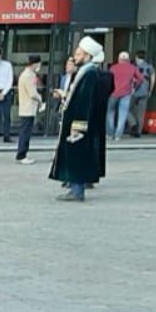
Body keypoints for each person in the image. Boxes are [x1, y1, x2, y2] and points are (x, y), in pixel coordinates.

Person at [49, 37, 111, 202]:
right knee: (75, 155)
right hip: (76, 122)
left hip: (79, 125)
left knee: (77, 155)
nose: (75, 56)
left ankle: (77, 190)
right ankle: (75, 187)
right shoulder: (85, 72)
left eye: (79, 54)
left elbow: (85, 101)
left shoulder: (89, 74)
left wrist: (78, 127)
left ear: (88, 56)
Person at [14, 55, 44, 164]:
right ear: (35, 64)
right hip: (28, 108)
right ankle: (21, 155)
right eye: (39, 63)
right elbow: (32, 93)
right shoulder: (29, 76)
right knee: (25, 133)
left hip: (25, 107)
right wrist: (40, 99)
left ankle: (22, 154)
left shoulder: (26, 74)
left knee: (25, 131)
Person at [106, 51, 140, 142]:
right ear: (128, 60)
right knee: (123, 115)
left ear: (119, 59)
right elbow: (140, 78)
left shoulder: (113, 68)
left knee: (110, 113)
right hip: (126, 93)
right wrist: (134, 87)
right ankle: (118, 136)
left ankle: (110, 134)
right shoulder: (133, 68)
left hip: (113, 93)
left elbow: (108, 80)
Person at [129, 50, 154, 137]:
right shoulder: (149, 66)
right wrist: (150, 90)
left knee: (127, 109)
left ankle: (133, 123)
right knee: (141, 113)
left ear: (136, 57)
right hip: (144, 91)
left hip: (134, 91)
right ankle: (138, 131)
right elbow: (153, 78)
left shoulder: (133, 66)